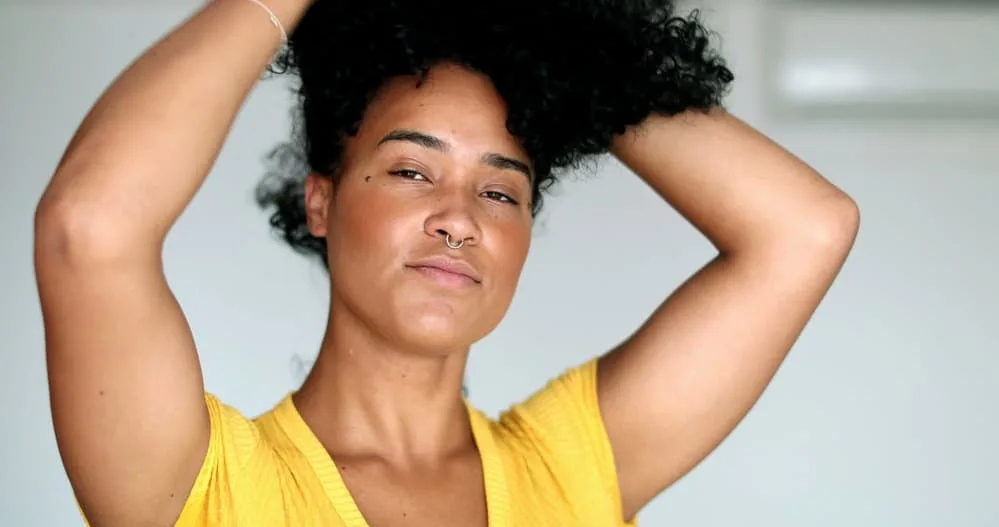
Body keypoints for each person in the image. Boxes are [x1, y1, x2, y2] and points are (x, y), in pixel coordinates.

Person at [33, 0, 860, 525]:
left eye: (501, 192)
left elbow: (807, 227)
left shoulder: (571, 475)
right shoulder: (198, 488)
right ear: (320, 201)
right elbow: (88, 225)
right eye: (410, 170)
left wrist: (550, 33)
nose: (459, 219)